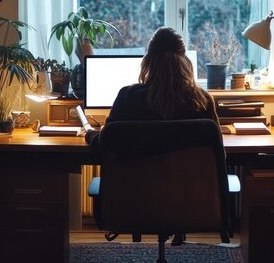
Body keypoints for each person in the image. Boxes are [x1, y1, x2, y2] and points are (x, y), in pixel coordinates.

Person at [84, 27, 219, 245]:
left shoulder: (127, 97)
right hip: (189, 203)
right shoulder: (202, 101)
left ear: (147, 61)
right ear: (184, 60)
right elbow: (218, 156)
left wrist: (90, 135)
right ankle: (177, 225)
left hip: (134, 204)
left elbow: (106, 144)